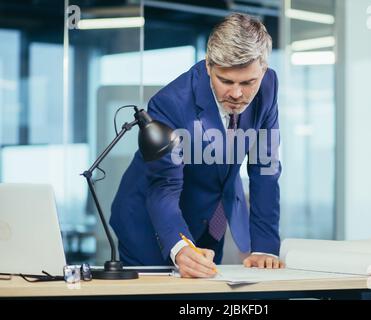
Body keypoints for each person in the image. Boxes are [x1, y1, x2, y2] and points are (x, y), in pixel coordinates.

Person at [110, 13, 283, 278]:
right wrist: (179, 247)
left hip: (210, 220)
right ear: (208, 67)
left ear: (263, 69)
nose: (237, 94)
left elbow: (266, 168)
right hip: (149, 224)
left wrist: (265, 247)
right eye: (226, 81)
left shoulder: (268, 88)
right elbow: (164, 186)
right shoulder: (170, 104)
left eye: (248, 82)